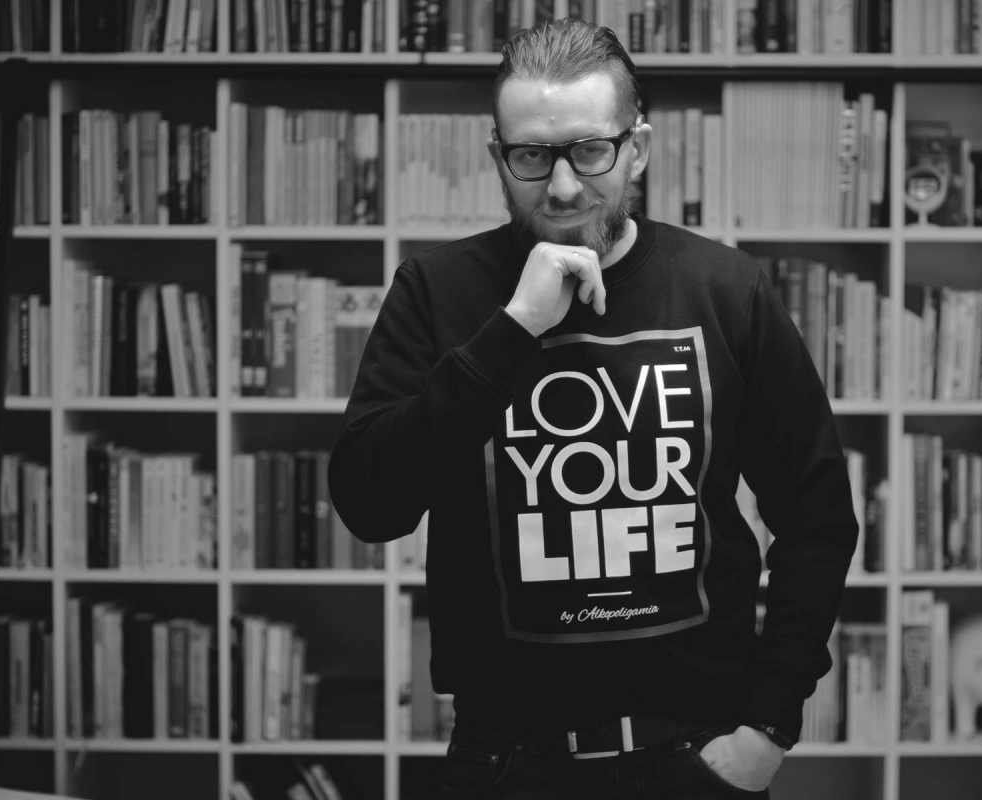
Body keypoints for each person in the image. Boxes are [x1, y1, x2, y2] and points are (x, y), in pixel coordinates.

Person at [328, 18, 859, 799]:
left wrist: (768, 729)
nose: (564, 187)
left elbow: (817, 516)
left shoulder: (726, 290)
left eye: (590, 151)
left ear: (636, 148)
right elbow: (371, 505)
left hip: (698, 756)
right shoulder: (436, 293)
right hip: (505, 761)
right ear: (498, 156)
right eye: (532, 156)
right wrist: (513, 331)